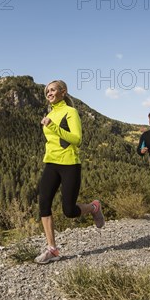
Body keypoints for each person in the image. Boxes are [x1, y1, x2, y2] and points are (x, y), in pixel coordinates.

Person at [35, 80, 104, 264]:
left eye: (52, 90)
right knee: (44, 203)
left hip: (69, 164)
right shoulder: (50, 113)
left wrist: (53, 127)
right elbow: (52, 141)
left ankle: (94, 207)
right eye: (47, 91)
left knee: (69, 210)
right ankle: (52, 249)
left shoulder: (70, 112)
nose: (49, 93)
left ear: (63, 92)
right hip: (51, 163)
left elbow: (77, 139)